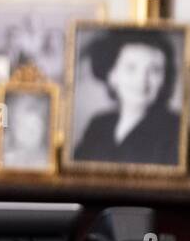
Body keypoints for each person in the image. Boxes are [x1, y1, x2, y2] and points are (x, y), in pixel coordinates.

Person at [72, 28, 180, 165]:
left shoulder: (175, 128)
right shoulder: (98, 125)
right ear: (112, 75)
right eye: (131, 68)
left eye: (154, 70)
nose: (141, 81)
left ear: (165, 79)